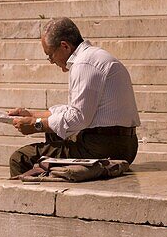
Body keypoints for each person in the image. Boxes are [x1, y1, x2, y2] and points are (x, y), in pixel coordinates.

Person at [7, 17, 140, 178]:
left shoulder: (84, 64)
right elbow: (75, 110)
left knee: (21, 158)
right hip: (121, 143)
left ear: (64, 46)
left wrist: (36, 125)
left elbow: (78, 118)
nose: (51, 61)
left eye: (50, 55)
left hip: (104, 147)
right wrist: (33, 115)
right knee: (55, 133)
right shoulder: (93, 56)